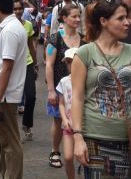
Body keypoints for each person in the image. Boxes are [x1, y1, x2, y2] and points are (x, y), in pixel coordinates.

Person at [71, 0, 131, 179]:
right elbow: (77, 97)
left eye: (127, 17)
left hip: (128, 138)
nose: (127, 23)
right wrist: (77, 137)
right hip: (94, 138)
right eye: (120, 18)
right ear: (104, 21)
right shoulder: (85, 53)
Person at [0, 0, 28, 179]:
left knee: (10, 143)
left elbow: (7, 67)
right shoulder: (9, 27)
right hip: (3, 95)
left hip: (5, 97)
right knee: (4, 141)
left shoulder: (10, 30)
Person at [44, 2, 85, 168]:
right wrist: (51, 90)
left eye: (79, 16)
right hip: (60, 89)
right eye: (74, 16)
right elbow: (49, 65)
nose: (77, 19)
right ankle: (55, 150)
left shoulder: (84, 39)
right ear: (64, 18)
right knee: (58, 121)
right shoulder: (55, 38)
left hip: (80, 88)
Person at [13, 0, 37, 142]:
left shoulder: (28, 25)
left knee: (31, 96)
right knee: (13, 100)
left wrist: (35, 63)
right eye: (15, 9)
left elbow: (31, 45)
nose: (18, 11)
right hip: (12, 66)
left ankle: (27, 124)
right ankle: (13, 131)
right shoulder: (7, 25)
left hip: (27, 63)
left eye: (20, 9)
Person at [56, 47, 79, 179]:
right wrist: (64, 119)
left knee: (85, 157)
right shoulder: (64, 82)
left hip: (83, 126)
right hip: (68, 125)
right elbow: (61, 103)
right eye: (69, 62)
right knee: (68, 157)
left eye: (74, 61)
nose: (71, 65)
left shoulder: (86, 81)